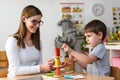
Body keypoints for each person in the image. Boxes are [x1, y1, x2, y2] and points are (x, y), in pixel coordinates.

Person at [5, 5, 67, 77]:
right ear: (24, 19)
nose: (37, 25)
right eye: (34, 21)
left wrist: (51, 67)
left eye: (39, 22)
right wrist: (41, 68)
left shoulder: (37, 42)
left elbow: (39, 67)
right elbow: (15, 70)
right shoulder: (12, 41)